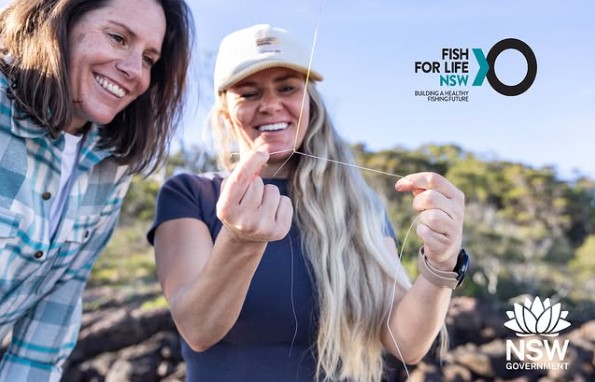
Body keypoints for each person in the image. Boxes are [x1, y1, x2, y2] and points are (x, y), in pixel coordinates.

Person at [148, 24, 467, 382]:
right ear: (225, 113)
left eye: (287, 88)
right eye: (249, 94)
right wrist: (241, 240)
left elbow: (406, 343)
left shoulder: (359, 206)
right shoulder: (190, 195)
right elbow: (198, 328)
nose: (270, 105)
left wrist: (440, 266)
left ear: (310, 103)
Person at [0, 0, 192, 380]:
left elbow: (51, 320)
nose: (135, 72)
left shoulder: (110, 168)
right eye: (118, 38)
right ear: (57, 21)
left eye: (150, 59)